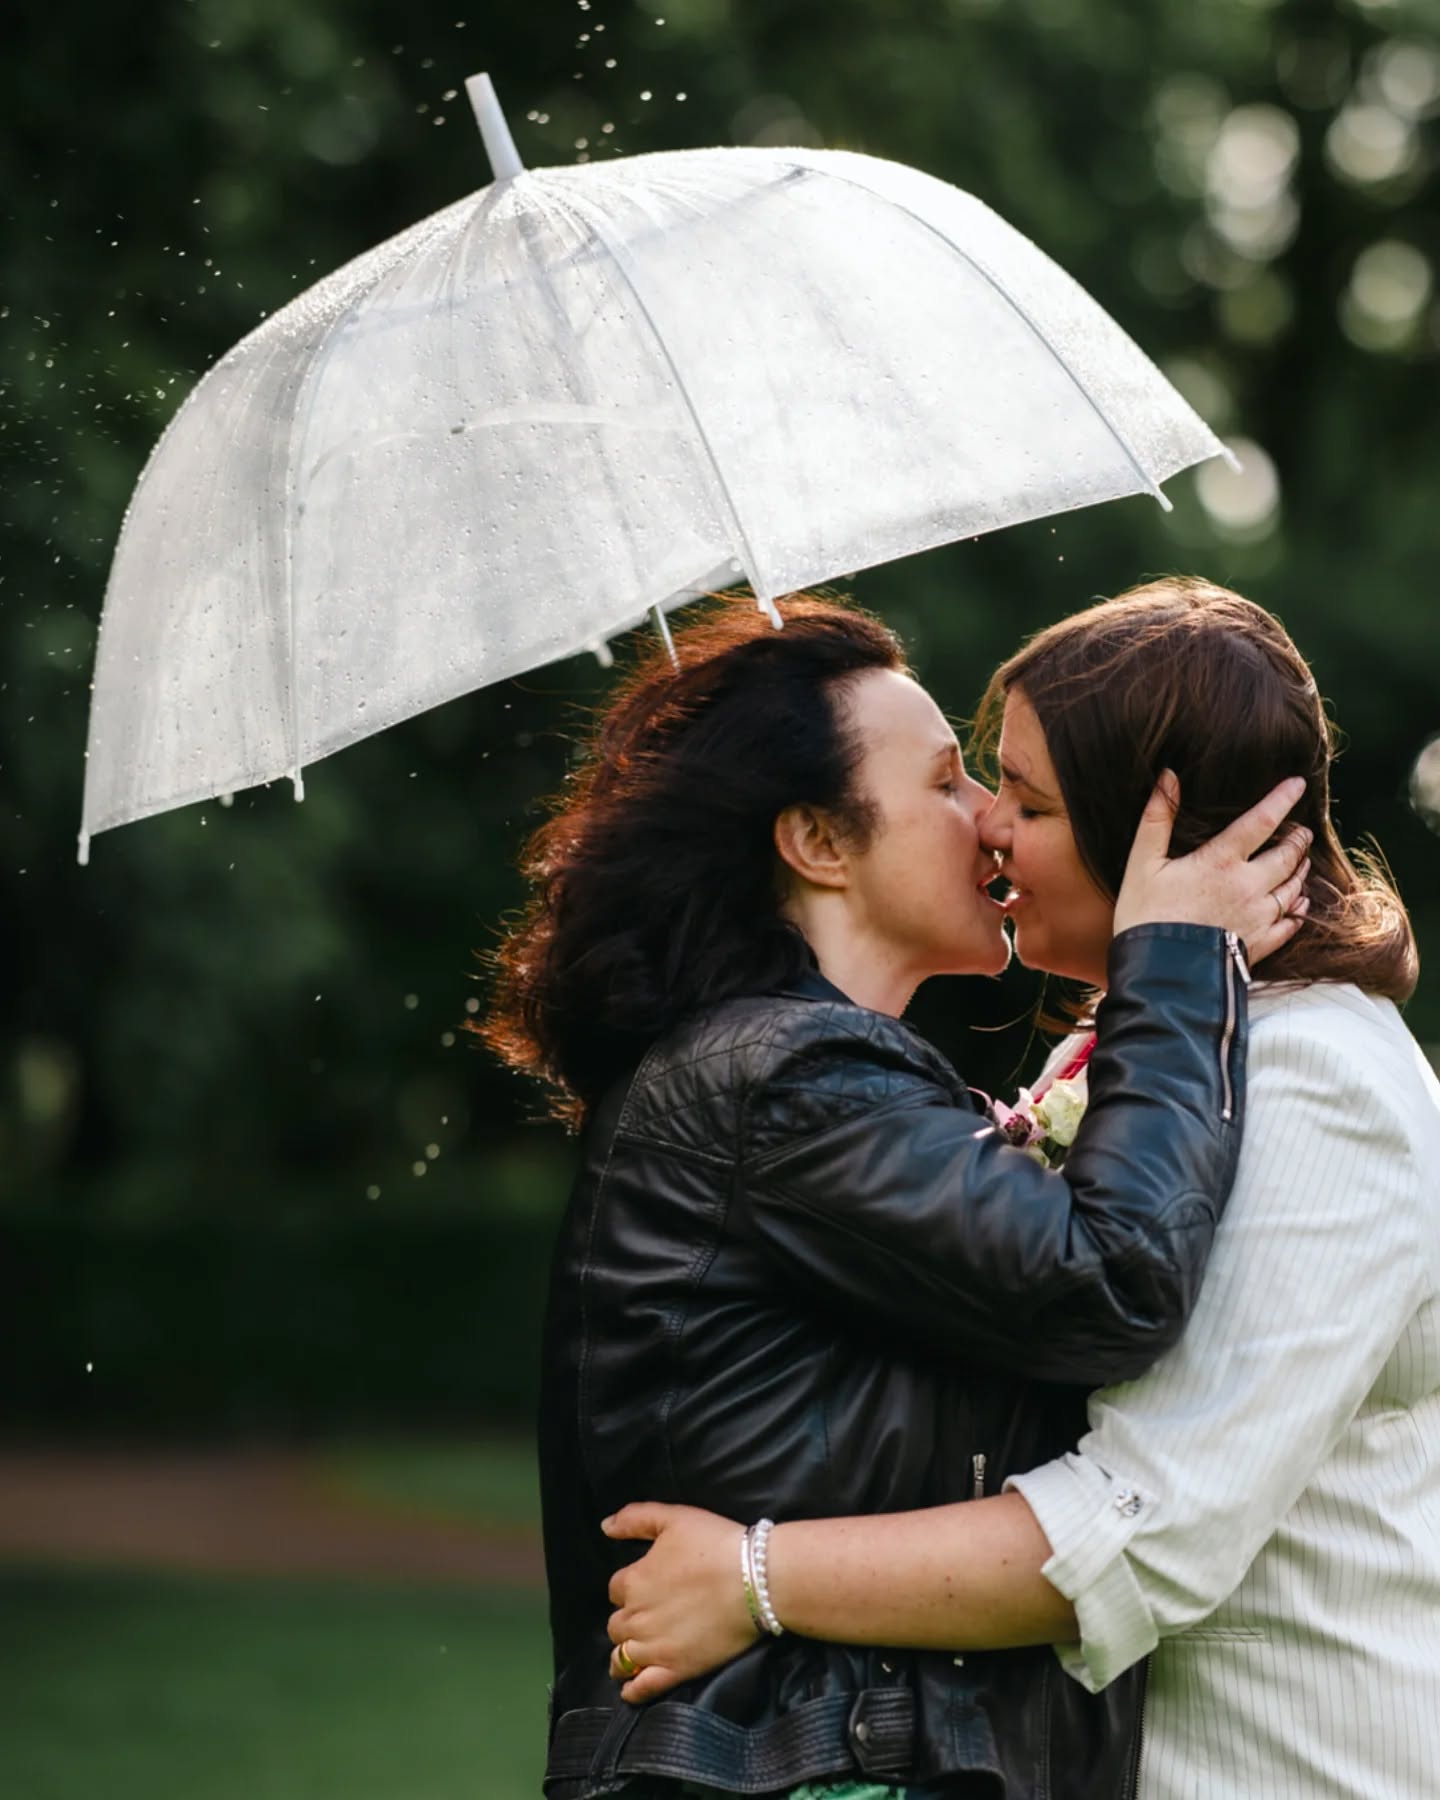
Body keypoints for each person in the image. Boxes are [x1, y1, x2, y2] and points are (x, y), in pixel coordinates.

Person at [601, 579, 1438, 1800]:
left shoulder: (1321, 1083)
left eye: (1030, 801)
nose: (988, 824)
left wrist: (759, 1576)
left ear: (1159, 836)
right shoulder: (1138, 1055)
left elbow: (1146, 1532)